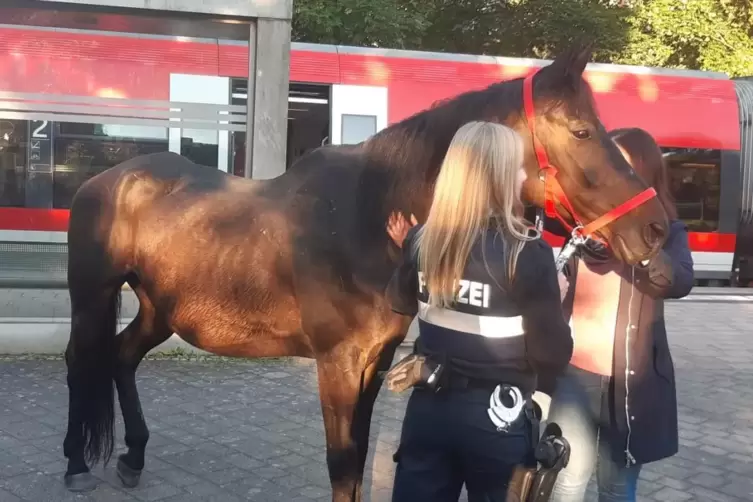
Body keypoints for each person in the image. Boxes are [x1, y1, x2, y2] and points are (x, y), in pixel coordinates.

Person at [383, 120, 573, 502]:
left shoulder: (422, 240)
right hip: (497, 418)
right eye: (518, 166)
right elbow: (552, 355)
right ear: (499, 175)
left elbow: (399, 301)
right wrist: (558, 298)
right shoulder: (526, 252)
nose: (523, 174)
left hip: (428, 410)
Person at [546, 127, 695, 502]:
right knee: (565, 479)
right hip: (573, 379)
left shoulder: (666, 232)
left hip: (628, 386)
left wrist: (641, 250)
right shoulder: (583, 228)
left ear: (643, 173)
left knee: (615, 488)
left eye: (620, 165)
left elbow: (679, 282)